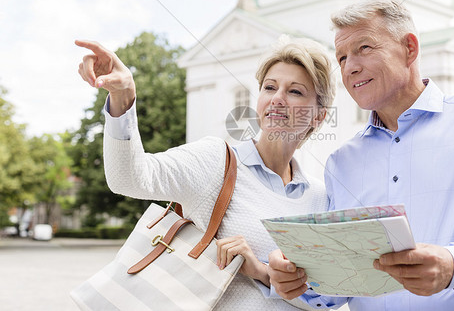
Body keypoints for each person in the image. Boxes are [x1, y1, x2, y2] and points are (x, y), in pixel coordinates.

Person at [267, 0, 454, 310]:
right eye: (342, 58)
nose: (350, 67)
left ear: (410, 49)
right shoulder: (340, 163)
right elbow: (341, 284)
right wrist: (299, 280)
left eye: (364, 48)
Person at [76, 35, 336, 310]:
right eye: (270, 88)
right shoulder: (216, 159)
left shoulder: (320, 198)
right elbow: (128, 177)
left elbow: (326, 300)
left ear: (319, 117)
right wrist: (123, 96)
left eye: (295, 91)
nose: (278, 99)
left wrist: (261, 271)